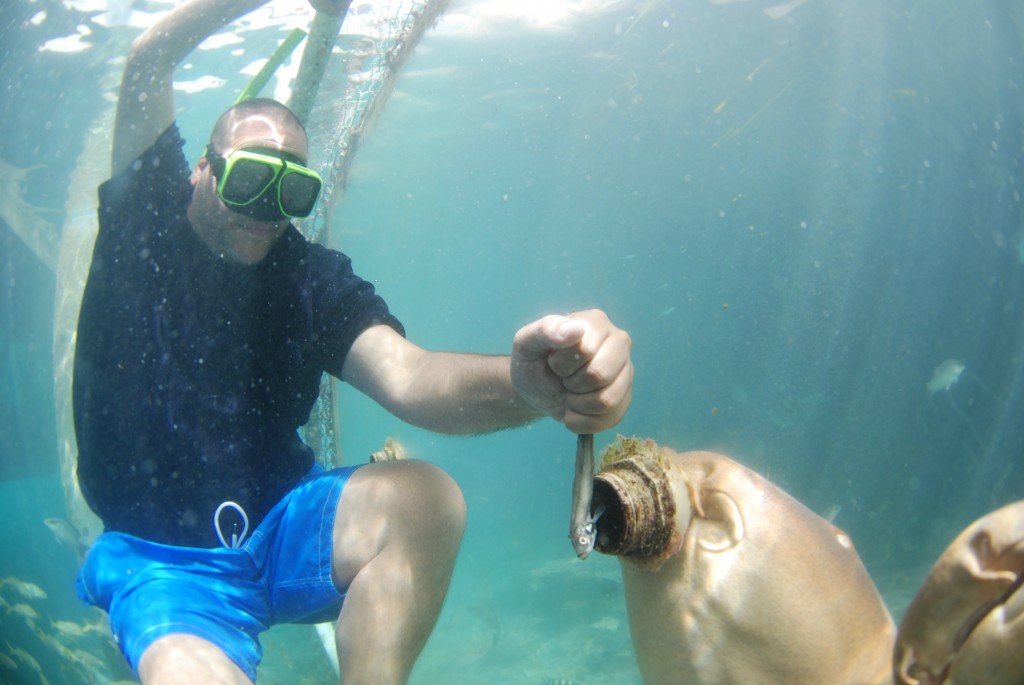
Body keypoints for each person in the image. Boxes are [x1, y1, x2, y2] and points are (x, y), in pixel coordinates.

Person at [71, 0, 634, 683]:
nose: (264, 214)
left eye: (292, 193)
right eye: (249, 180)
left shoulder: (307, 277)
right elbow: (150, 56)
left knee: (428, 501)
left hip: (284, 522)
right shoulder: (143, 223)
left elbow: (411, 376)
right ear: (202, 169)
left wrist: (528, 387)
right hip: (160, 562)